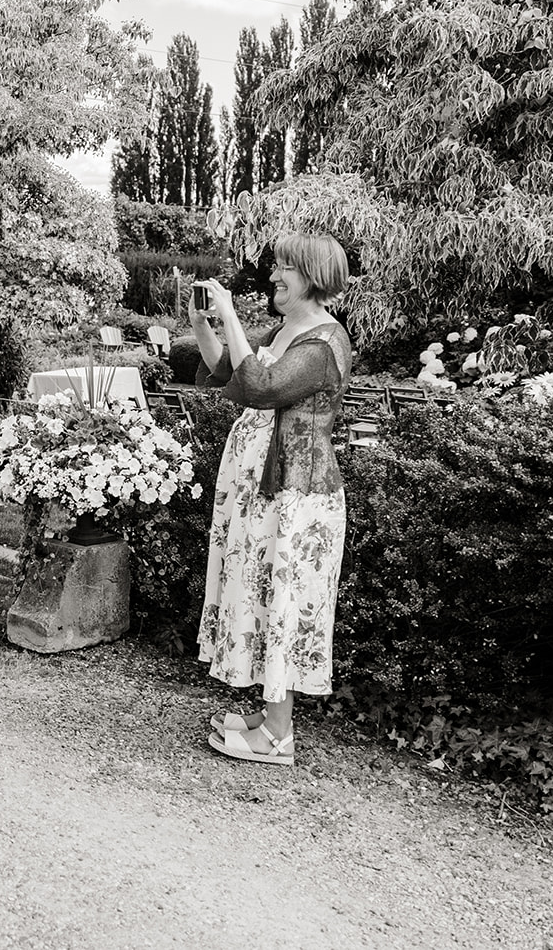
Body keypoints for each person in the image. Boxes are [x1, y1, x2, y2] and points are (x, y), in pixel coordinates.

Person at [189, 231, 352, 766]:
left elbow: (261, 389)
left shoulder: (323, 344)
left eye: (285, 267)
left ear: (314, 276)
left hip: (296, 496)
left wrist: (231, 314)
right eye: (276, 264)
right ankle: (268, 713)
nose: (274, 275)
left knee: (283, 601)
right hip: (263, 493)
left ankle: (279, 736)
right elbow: (227, 373)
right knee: (261, 595)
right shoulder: (285, 331)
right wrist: (204, 325)